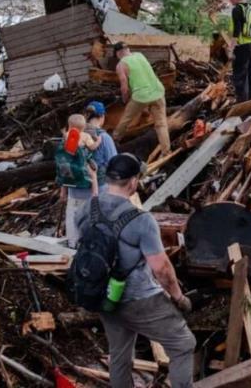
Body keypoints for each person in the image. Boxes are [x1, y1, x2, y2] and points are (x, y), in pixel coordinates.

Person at [76, 153, 196, 388]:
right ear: (133, 182)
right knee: (183, 344)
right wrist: (179, 298)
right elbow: (161, 269)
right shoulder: (141, 220)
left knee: (119, 355)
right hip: (138, 299)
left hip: (102, 294)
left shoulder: (87, 208)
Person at [112, 42, 172, 156]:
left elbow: (124, 86)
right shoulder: (140, 55)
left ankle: (114, 139)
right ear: (128, 49)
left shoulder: (120, 65)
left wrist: (125, 99)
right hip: (158, 91)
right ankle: (166, 151)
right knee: (161, 124)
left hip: (141, 96)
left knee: (126, 118)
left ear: (118, 53)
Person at [58, 114, 102, 247]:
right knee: (93, 172)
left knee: (64, 173)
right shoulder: (85, 136)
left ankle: (72, 243)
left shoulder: (66, 135)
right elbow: (93, 147)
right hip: (82, 162)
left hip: (69, 165)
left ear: (70, 126)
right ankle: (95, 192)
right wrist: (98, 140)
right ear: (83, 127)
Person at [223, 0, 251, 103]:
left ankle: (242, 103)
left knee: (240, 75)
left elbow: (237, 31)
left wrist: (231, 47)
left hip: (243, 47)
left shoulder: (237, 9)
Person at [84, 101, 118, 191]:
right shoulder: (104, 137)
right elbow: (114, 163)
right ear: (102, 116)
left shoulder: (76, 135)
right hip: (98, 189)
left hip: (75, 189)